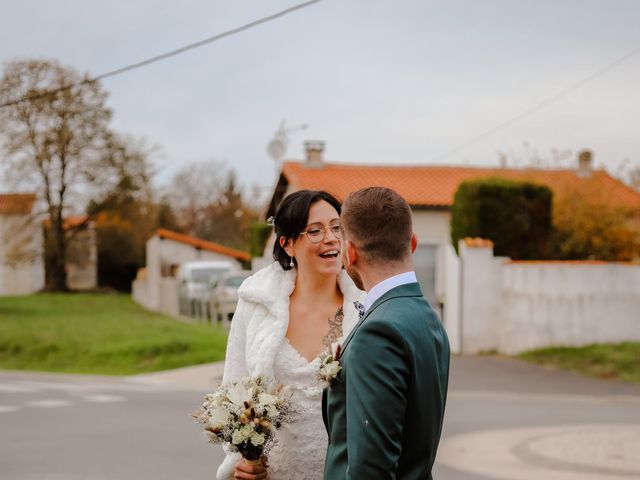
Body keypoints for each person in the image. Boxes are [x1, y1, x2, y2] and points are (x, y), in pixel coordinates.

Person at [216, 190, 365, 480]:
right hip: (275, 472)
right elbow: (234, 388)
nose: (332, 238)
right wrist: (243, 462)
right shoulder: (256, 305)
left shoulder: (364, 308)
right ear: (287, 244)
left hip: (345, 470)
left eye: (337, 228)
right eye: (315, 231)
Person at [323, 186, 450, 480]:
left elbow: (372, 469)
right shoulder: (426, 316)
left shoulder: (378, 332)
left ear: (350, 252)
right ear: (413, 242)